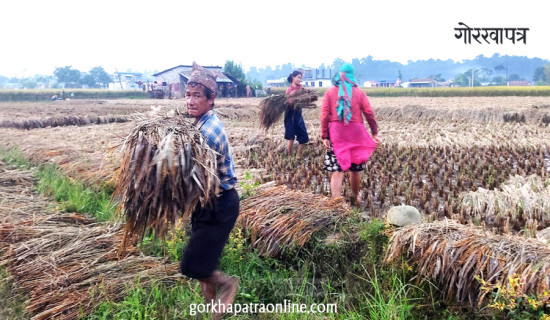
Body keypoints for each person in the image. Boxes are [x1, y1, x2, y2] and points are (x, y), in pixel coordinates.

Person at [181, 62, 239, 319]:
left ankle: (228, 284)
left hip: (220, 203)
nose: (190, 101)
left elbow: (194, 175)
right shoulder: (199, 123)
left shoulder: (208, 132)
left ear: (211, 99)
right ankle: (211, 312)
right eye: (187, 95)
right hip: (207, 202)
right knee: (205, 263)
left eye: (197, 96)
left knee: (193, 265)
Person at [320, 63, 380, 205]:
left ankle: (335, 201)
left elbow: (324, 116)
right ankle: (355, 197)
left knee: (337, 168)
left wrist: (325, 135)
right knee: (355, 168)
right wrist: (374, 132)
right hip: (356, 132)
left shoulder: (329, 92)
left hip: (337, 132)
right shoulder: (359, 92)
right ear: (352, 75)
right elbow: (369, 113)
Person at [284, 71, 309, 156]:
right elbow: (288, 102)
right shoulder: (289, 90)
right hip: (290, 114)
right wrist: (292, 96)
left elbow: (305, 96)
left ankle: (298, 154)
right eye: (298, 77)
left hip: (298, 113)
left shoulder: (301, 87)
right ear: (293, 77)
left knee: (304, 135)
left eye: (300, 78)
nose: (299, 79)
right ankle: (290, 156)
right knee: (291, 137)